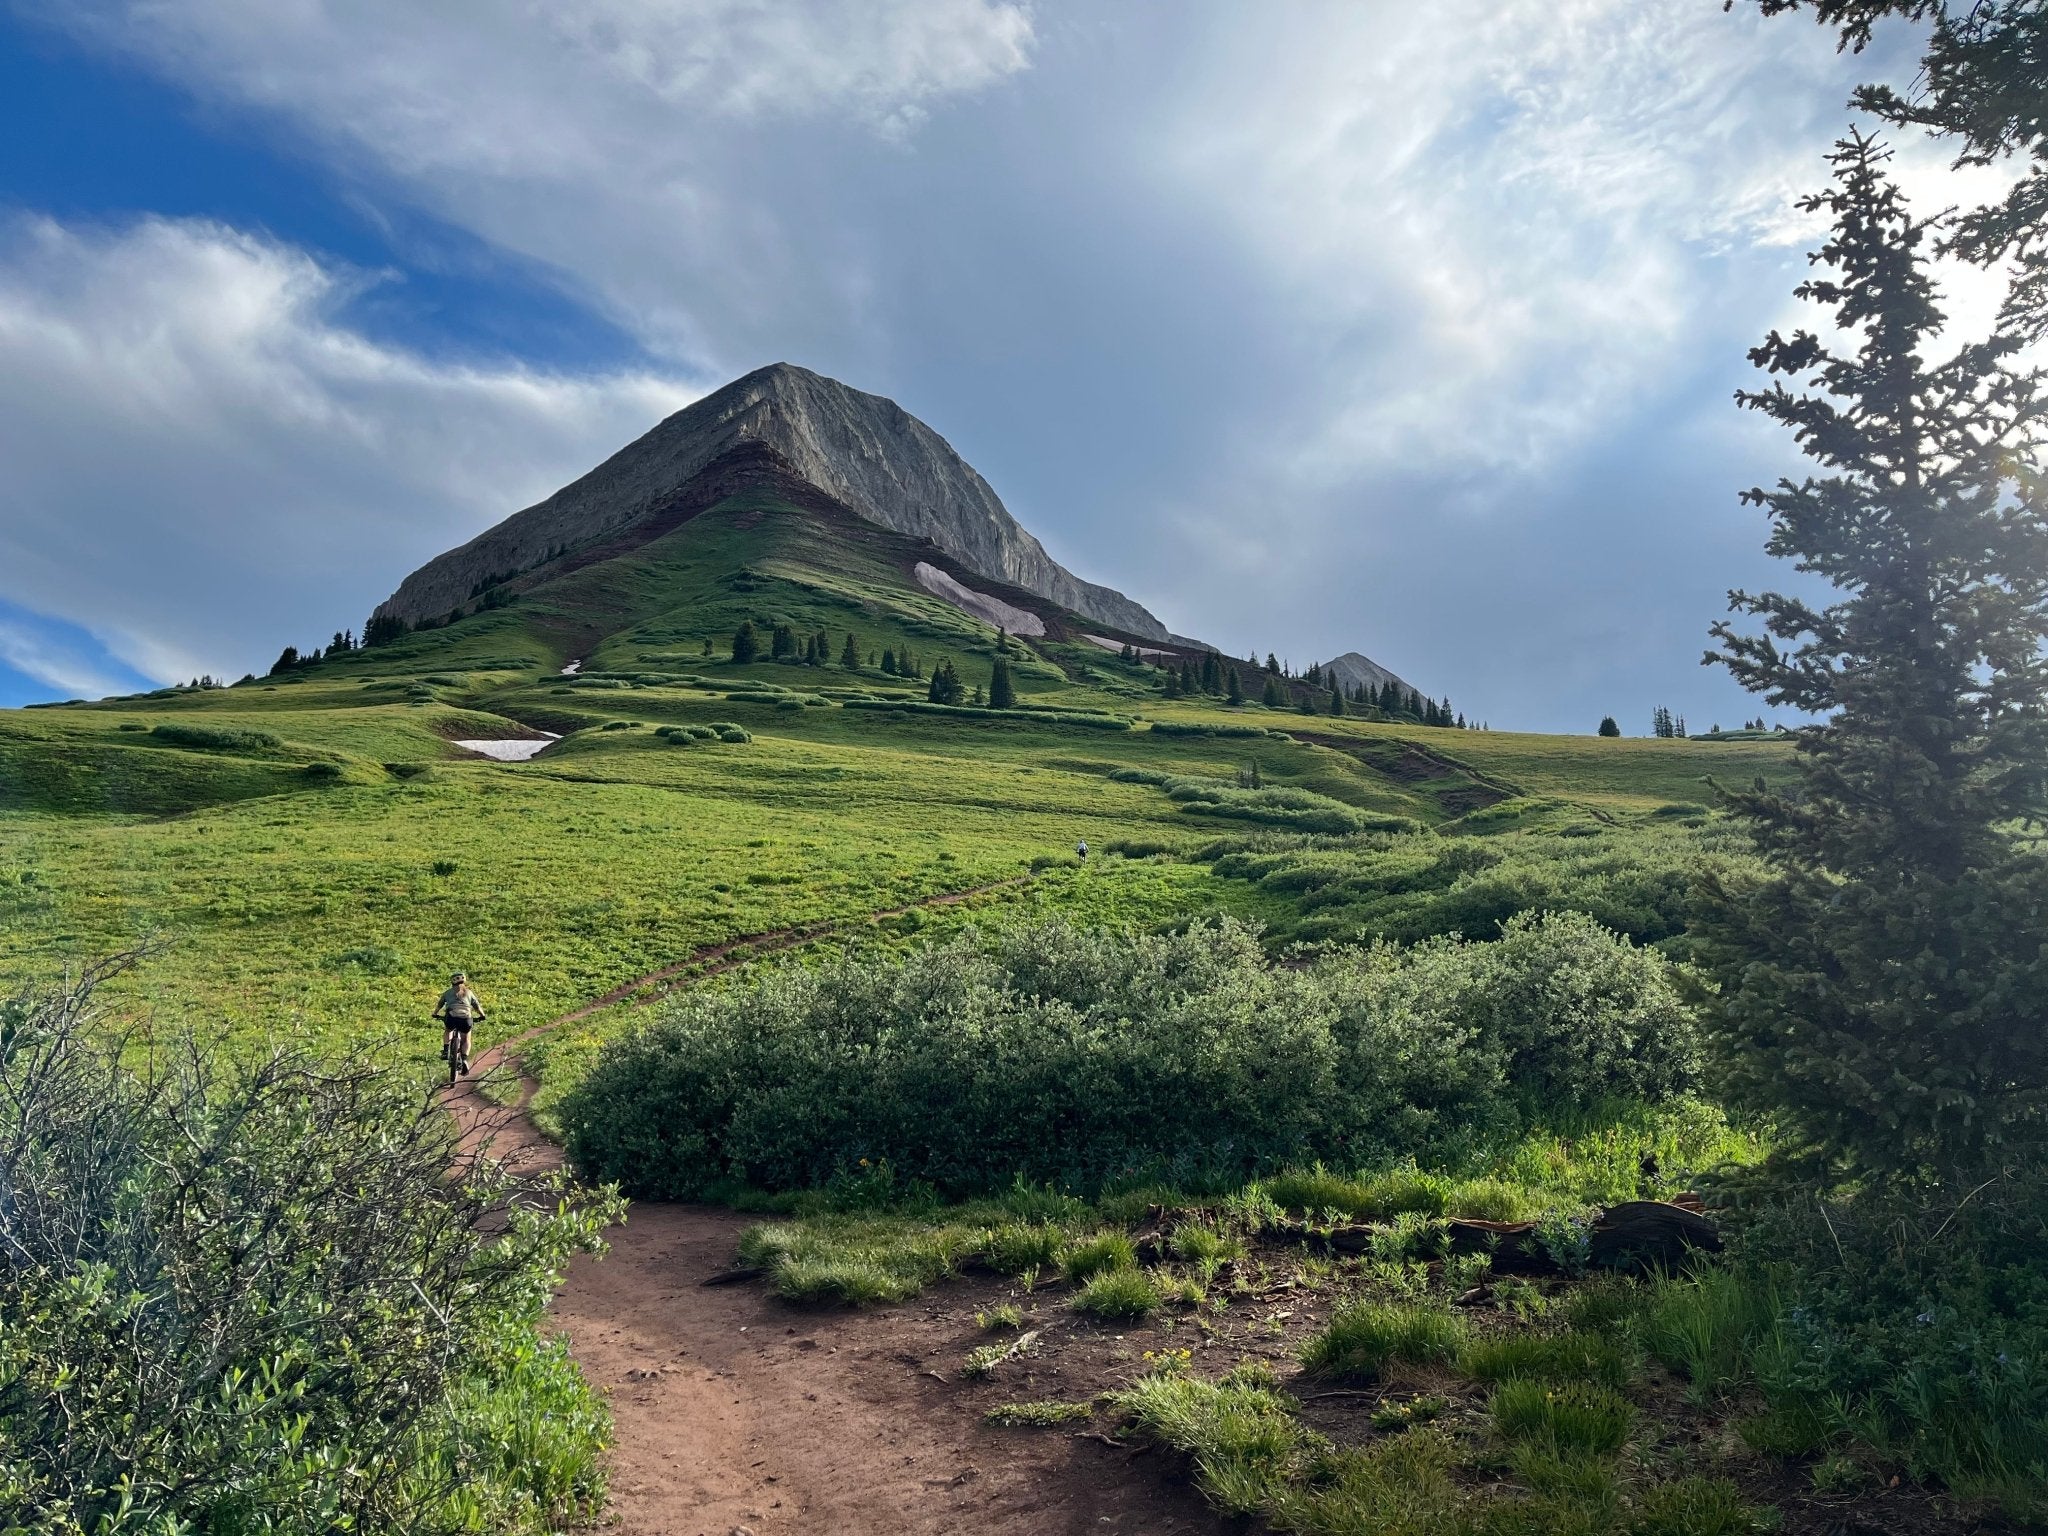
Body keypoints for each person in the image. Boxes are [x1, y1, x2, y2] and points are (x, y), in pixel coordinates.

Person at [435, 971, 486, 1074]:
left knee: (448, 1030)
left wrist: (435, 1014)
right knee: (466, 1037)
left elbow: (440, 1004)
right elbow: (476, 1006)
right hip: (465, 1019)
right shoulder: (469, 992)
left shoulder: (447, 993)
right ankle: (463, 1058)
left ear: (452, 982)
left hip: (451, 1018)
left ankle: (445, 1050)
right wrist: (482, 1016)